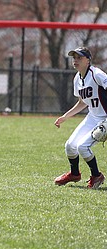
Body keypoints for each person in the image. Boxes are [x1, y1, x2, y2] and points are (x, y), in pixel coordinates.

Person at [54, 46, 106, 189]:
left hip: (105, 118)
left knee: (82, 147)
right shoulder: (77, 78)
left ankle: (97, 176)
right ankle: (74, 173)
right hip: (93, 117)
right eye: (74, 58)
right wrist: (65, 117)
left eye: (79, 57)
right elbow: (82, 102)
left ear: (88, 60)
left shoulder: (97, 74)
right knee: (70, 146)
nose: (75, 60)